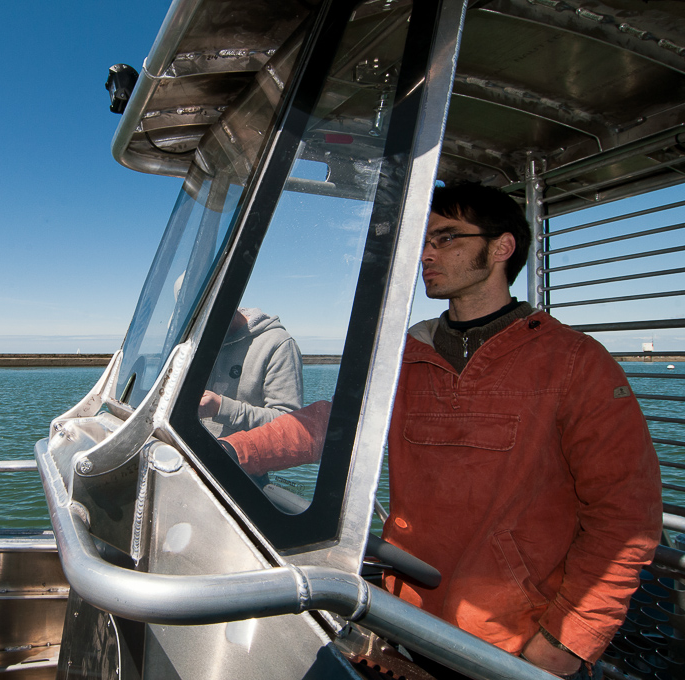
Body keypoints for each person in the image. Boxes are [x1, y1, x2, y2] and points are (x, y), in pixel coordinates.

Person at [221, 184, 663, 679]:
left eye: (446, 238)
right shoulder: (405, 359)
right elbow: (326, 425)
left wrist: (567, 641)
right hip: (403, 620)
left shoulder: (576, 363)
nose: (425, 254)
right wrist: (222, 453)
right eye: (424, 240)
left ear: (500, 248)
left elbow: (625, 516)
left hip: (513, 644)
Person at [198, 307, 303, 438]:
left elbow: (287, 424)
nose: (198, 329)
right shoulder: (199, 342)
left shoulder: (279, 344)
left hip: (237, 457)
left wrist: (221, 408)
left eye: (200, 321)